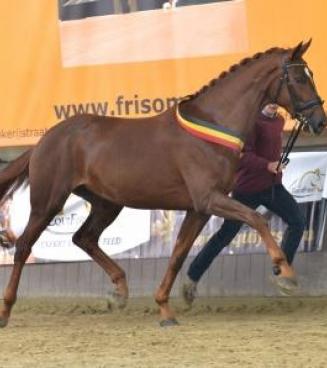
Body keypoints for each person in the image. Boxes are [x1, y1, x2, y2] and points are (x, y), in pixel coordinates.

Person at [183, 103, 306, 303]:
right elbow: (243, 156)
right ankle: (192, 277)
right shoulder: (252, 122)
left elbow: (270, 150)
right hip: (247, 190)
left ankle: (281, 270)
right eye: (270, 100)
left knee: (298, 221)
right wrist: (268, 165)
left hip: (273, 187)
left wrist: (276, 165)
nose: (273, 103)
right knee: (225, 236)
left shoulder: (279, 120)